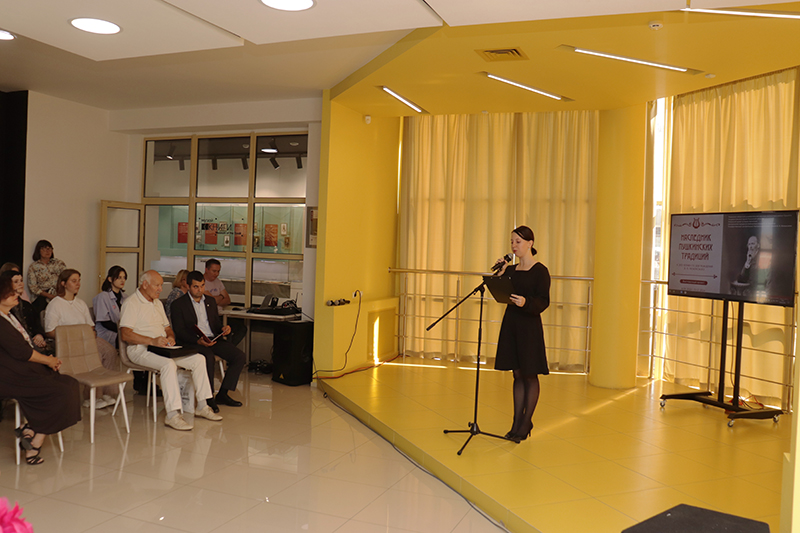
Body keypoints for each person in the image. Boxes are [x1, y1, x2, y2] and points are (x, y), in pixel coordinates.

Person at [120, 270, 222, 431]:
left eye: (161, 285)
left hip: (162, 347)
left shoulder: (157, 303)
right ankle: (173, 415)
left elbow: (168, 328)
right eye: (157, 285)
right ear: (145, 284)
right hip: (140, 349)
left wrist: (170, 338)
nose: (160, 289)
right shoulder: (131, 303)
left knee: (199, 359)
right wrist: (152, 341)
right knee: (168, 365)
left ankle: (203, 405)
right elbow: (125, 334)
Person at [0, 274, 81, 465]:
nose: (16, 294)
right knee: (62, 391)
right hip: (10, 376)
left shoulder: (9, 316)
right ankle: (34, 441)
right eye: (11, 292)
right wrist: (48, 361)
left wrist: (47, 361)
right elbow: (23, 352)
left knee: (70, 384)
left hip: (22, 369)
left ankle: (30, 430)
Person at [493, 225, 551, 443]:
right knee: (517, 374)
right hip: (511, 325)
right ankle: (516, 422)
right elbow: (500, 292)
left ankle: (526, 423)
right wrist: (500, 273)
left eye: (518, 241)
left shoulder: (540, 271)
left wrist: (526, 302)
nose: (514, 246)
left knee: (529, 374)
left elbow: (544, 301)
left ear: (530, 243)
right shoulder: (510, 270)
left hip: (529, 327)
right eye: (511, 242)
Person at [170, 270, 245, 413]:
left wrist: (223, 329)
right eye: (196, 287)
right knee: (208, 357)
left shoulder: (210, 301)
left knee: (239, 356)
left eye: (202, 286)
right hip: (193, 341)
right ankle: (209, 398)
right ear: (188, 286)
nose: (200, 290)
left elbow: (215, 324)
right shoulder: (178, 305)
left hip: (212, 338)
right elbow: (179, 331)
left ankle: (223, 393)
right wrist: (197, 341)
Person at [44, 269, 120, 409]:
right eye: (74, 281)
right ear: (63, 283)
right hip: (69, 343)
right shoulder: (55, 304)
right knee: (95, 356)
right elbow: (50, 331)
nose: (78, 284)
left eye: (79, 281)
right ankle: (91, 396)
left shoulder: (80, 303)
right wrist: (73, 336)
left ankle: (106, 392)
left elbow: (90, 325)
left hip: (86, 339)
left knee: (110, 351)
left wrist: (90, 333)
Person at [2, 271, 50, 354]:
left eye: (21, 280)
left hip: (31, 342)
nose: (20, 284)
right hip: (16, 346)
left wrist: (39, 335)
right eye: (16, 282)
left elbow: (36, 325)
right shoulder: (4, 308)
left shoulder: (27, 305)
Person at [203, 259, 246, 347]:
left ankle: (230, 348)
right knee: (225, 333)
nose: (216, 274)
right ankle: (227, 348)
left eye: (218, 271)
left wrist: (216, 299)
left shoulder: (218, 282)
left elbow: (227, 300)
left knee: (241, 328)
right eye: (214, 271)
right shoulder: (202, 283)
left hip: (222, 315)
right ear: (206, 269)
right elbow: (212, 301)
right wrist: (221, 296)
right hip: (210, 317)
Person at [27, 240, 66, 315]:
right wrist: (49, 296)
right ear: (38, 250)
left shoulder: (59, 263)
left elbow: (66, 278)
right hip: (42, 296)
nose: (47, 251)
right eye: (44, 248)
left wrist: (59, 295)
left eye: (50, 248)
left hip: (58, 294)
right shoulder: (33, 266)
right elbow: (33, 287)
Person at [93, 266, 127, 347]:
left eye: (124, 277)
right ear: (110, 279)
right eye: (119, 278)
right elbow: (105, 322)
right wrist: (122, 330)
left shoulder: (126, 297)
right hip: (107, 333)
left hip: (121, 331)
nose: (122, 280)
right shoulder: (102, 297)